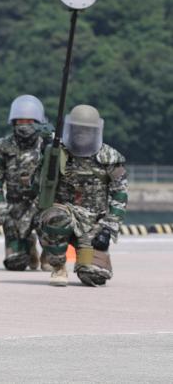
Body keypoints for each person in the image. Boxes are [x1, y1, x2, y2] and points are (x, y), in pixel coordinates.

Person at [37, 104, 128, 287]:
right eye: (77, 129)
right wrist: (46, 157)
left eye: (86, 130)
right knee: (55, 217)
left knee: (94, 276)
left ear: (96, 131)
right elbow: (38, 185)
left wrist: (108, 229)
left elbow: (120, 194)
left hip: (93, 224)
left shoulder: (109, 157)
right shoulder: (58, 152)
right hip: (64, 214)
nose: (81, 133)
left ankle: (84, 256)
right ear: (70, 129)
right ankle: (58, 265)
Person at [0, 95, 52, 271]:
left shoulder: (49, 145)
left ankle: (49, 253)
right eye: (20, 120)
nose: (24, 124)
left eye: (29, 120)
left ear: (38, 122)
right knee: (16, 264)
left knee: (51, 264)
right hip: (15, 208)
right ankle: (27, 244)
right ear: (13, 122)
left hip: (43, 204)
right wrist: (2, 214)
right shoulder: (3, 147)